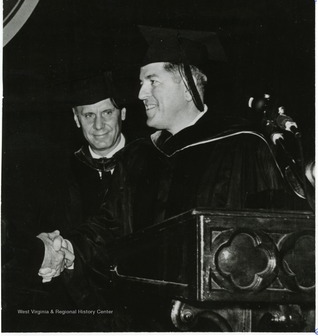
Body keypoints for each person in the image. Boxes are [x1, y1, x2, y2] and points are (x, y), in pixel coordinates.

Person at [36, 26, 308, 330]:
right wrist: (68, 249)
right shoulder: (139, 156)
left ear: (188, 82)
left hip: (219, 323)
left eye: (152, 81)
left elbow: (281, 246)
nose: (140, 94)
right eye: (141, 83)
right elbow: (109, 228)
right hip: (142, 321)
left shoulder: (244, 146)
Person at [65, 72, 128, 228]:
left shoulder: (148, 161)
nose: (98, 125)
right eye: (89, 115)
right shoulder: (64, 173)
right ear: (76, 118)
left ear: (123, 113)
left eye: (107, 113)